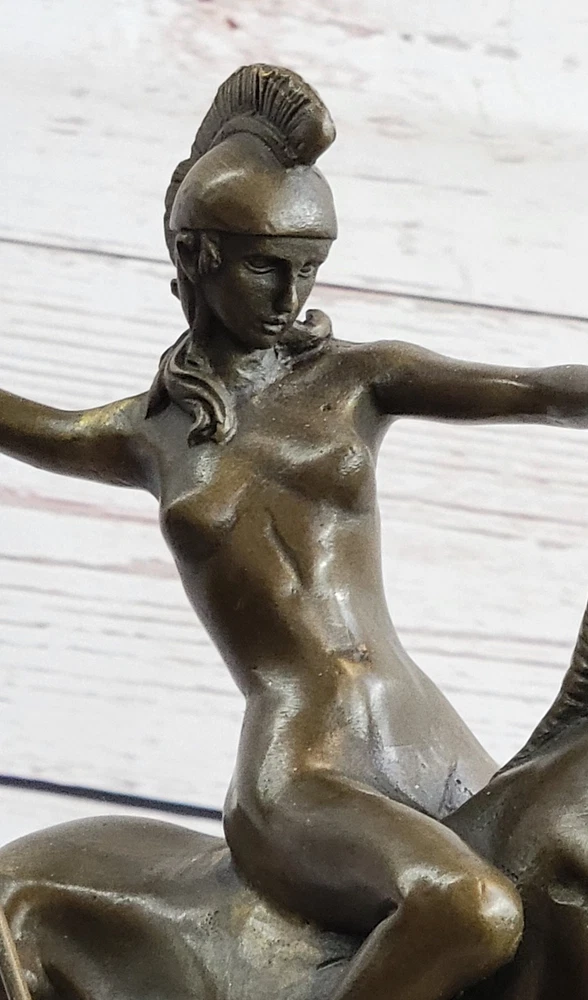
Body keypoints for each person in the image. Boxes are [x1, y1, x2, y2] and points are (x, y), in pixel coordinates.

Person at [3, 63, 588, 1000]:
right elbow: (29, 424)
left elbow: (534, 389)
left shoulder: (356, 379)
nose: (290, 293)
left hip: (420, 734)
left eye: (308, 267)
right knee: (470, 910)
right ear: (196, 255)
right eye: (265, 265)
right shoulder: (147, 433)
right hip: (300, 764)